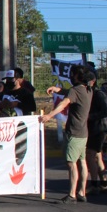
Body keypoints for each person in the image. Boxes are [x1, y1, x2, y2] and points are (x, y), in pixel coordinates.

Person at [39, 64, 91, 204]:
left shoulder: (75, 91)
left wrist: (49, 116)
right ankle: (82, 191)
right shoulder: (87, 90)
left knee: (71, 163)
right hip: (83, 132)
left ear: (76, 76)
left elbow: (64, 103)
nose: (70, 77)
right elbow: (70, 93)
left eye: (72, 74)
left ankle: (72, 194)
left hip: (74, 132)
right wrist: (58, 89)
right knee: (82, 161)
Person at [84, 71, 107, 194]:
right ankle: (104, 182)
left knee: (90, 155)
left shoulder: (98, 94)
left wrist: (90, 117)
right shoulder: (88, 93)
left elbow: (106, 112)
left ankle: (94, 183)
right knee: (97, 156)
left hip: (98, 129)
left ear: (93, 81)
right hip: (94, 128)